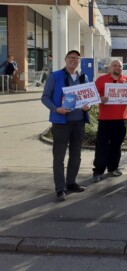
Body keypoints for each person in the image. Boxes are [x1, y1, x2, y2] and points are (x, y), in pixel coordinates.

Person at [41, 50, 91, 201]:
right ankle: (60, 188)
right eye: (70, 58)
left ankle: (71, 183)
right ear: (65, 59)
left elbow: (88, 97)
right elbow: (44, 97)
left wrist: (88, 106)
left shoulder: (84, 77)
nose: (73, 60)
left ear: (79, 61)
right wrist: (57, 109)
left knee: (76, 155)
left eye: (76, 58)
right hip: (61, 122)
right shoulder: (55, 76)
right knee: (59, 156)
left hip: (79, 121)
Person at [92, 59, 127, 182]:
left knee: (116, 145)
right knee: (102, 146)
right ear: (110, 67)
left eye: (120, 66)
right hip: (105, 119)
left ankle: (113, 168)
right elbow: (92, 97)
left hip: (121, 119)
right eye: (115, 65)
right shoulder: (101, 80)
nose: (117, 68)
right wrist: (100, 99)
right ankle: (98, 171)